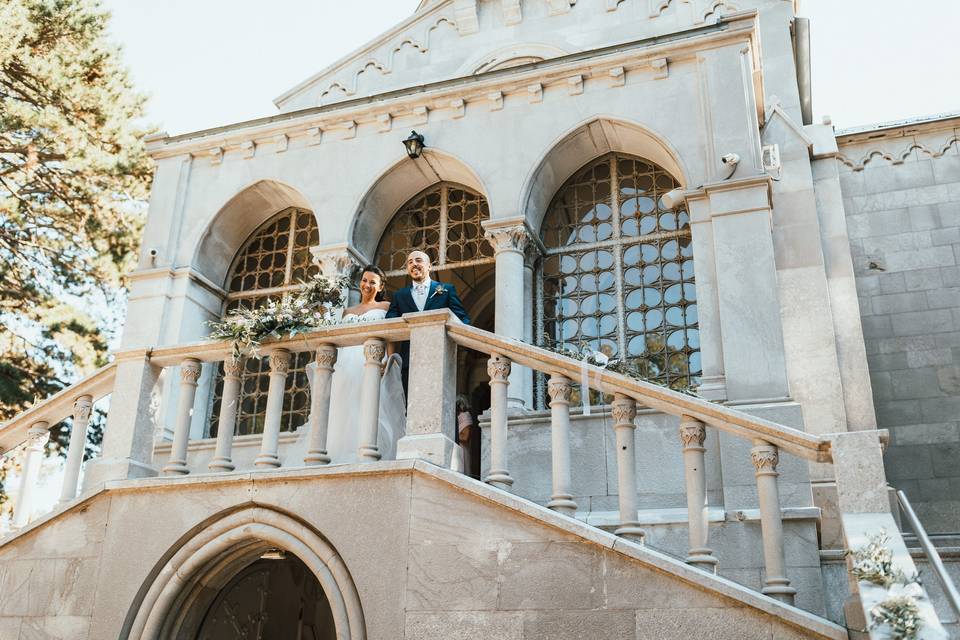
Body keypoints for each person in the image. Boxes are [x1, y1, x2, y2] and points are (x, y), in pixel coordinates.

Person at [310, 265, 406, 463]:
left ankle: (367, 453)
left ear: (380, 287)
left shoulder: (386, 307)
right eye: (364, 280)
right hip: (346, 365)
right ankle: (339, 456)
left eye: (372, 282)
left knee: (370, 406)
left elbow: (391, 337)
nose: (367, 285)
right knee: (343, 407)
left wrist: (388, 360)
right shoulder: (347, 312)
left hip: (371, 360)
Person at [384, 250, 471, 394]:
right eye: (410, 262)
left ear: (429, 266)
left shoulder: (446, 290)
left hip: (438, 356)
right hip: (409, 360)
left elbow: (462, 318)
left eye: (418, 260)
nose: (414, 264)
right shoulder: (399, 295)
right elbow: (390, 321)